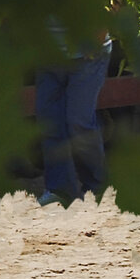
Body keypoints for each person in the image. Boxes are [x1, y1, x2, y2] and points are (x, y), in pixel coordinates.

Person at [35, 25, 112, 206]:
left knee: (79, 121)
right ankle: (59, 190)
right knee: (49, 121)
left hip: (87, 55)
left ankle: (97, 188)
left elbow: (109, 0)